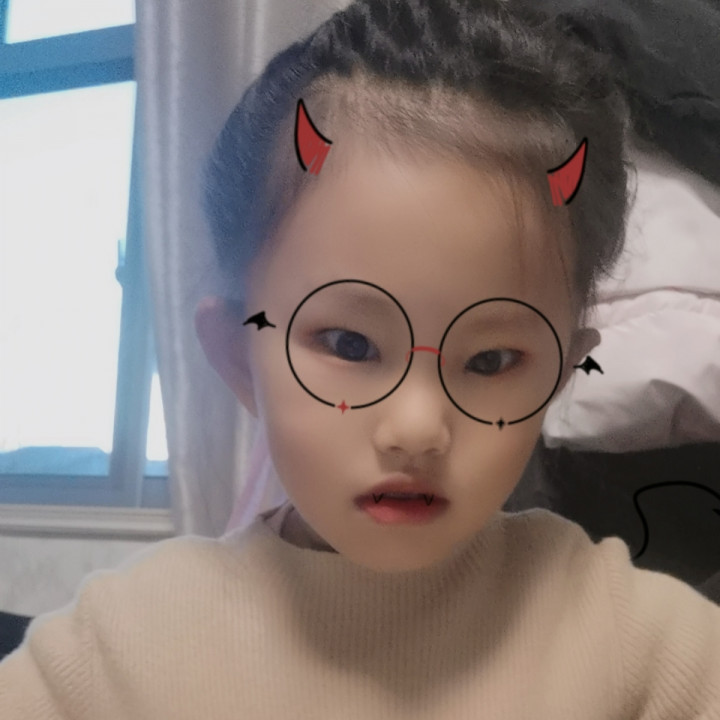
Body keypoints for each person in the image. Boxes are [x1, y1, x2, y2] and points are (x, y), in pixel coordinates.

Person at [1, 1, 719, 717]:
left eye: (492, 359)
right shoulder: (112, 654)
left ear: (560, 374)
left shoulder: (641, 646)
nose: (417, 429)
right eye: (350, 345)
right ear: (238, 358)